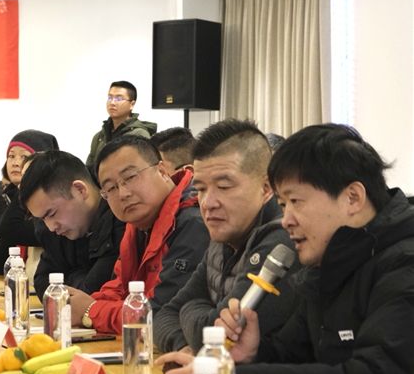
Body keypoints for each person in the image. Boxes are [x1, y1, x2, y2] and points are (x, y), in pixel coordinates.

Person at [158, 124, 414, 374]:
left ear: (352, 198)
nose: (287, 219)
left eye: (296, 201)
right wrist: (254, 355)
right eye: (282, 205)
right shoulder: (328, 262)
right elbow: (294, 355)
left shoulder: (404, 264)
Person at [152, 119, 298, 353]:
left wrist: (190, 308)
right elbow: (164, 315)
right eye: (200, 189)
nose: (208, 203)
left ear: (266, 189)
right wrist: (184, 347)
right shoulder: (223, 237)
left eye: (224, 187)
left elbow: (221, 337)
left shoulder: (282, 240)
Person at [66, 136, 209, 333]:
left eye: (131, 177)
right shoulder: (138, 226)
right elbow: (120, 287)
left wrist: (91, 311)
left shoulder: (193, 223)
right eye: (111, 188)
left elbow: (160, 312)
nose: (123, 194)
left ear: (162, 171)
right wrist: (81, 304)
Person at [19, 150, 125, 299]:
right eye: (43, 219)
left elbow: (92, 292)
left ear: (80, 190)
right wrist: (79, 277)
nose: (51, 227)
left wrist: (70, 277)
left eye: (52, 214)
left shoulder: (121, 218)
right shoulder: (57, 230)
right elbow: (42, 282)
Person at [0, 130, 60, 276]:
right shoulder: (11, 196)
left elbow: (10, 229)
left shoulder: (50, 208)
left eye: (24, 157)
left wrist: (24, 187)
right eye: (11, 156)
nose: (16, 163)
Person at [86, 80, 157, 171]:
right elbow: (89, 169)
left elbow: (142, 170)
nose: (112, 103)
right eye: (110, 97)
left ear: (132, 104)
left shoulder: (139, 135)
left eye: (119, 99)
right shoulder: (99, 136)